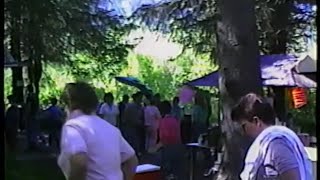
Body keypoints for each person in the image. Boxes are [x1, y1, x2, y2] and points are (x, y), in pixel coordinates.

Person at [58, 82, 138, 180]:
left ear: (68, 104)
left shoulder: (74, 126)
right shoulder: (111, 129)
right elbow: (132, 160)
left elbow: (79, 161)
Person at [231, 93, 312, 180]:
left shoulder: (276, 145)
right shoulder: (266, 146)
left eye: (244, 126)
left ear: (256, 121)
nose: (243, 132)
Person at [150, 100, 183, 179]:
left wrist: (155, 148)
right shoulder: (175, 120)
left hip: (167, 150)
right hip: (178, 148)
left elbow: (165, 138)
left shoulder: (163, 121)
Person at [122, 92, 145, 156]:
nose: (141, 99)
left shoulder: (141, 107)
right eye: (140, 98)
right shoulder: (130, 106)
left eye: (141, 98)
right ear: (136, 98)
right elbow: (129, 118)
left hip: (138, 129)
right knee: (131, 143)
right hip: (130, 128)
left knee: (137, 144)